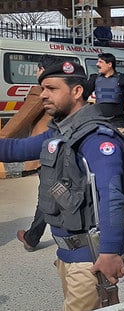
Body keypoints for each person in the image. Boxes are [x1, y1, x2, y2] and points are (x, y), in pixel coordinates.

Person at [0, 61, 124, 311]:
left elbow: (113, 197)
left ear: (76, 92)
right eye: (42, 89)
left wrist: (111, 252)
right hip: (67, 257)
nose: (44, 95)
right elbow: (15, 149)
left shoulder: (96, 138)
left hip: (90, 260)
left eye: (51, 88)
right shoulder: (60, 134)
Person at [14, 54, 69, 252]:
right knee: (56, 193)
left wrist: (3, 140)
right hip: (66, 149)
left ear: (42, 69)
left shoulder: (41, 91)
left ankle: (32, 237)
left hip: (46, 149)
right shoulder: (68, 88)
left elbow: (19, 121)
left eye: (37, 69)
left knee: (48, 195)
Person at [84, 53, 124, 130]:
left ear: (109, 64)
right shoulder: (94, 78)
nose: (97, 64)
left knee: (117, 142)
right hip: (99, 121)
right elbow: (84, 95)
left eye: (100, 62)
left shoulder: (123, 78)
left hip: (118, 122)